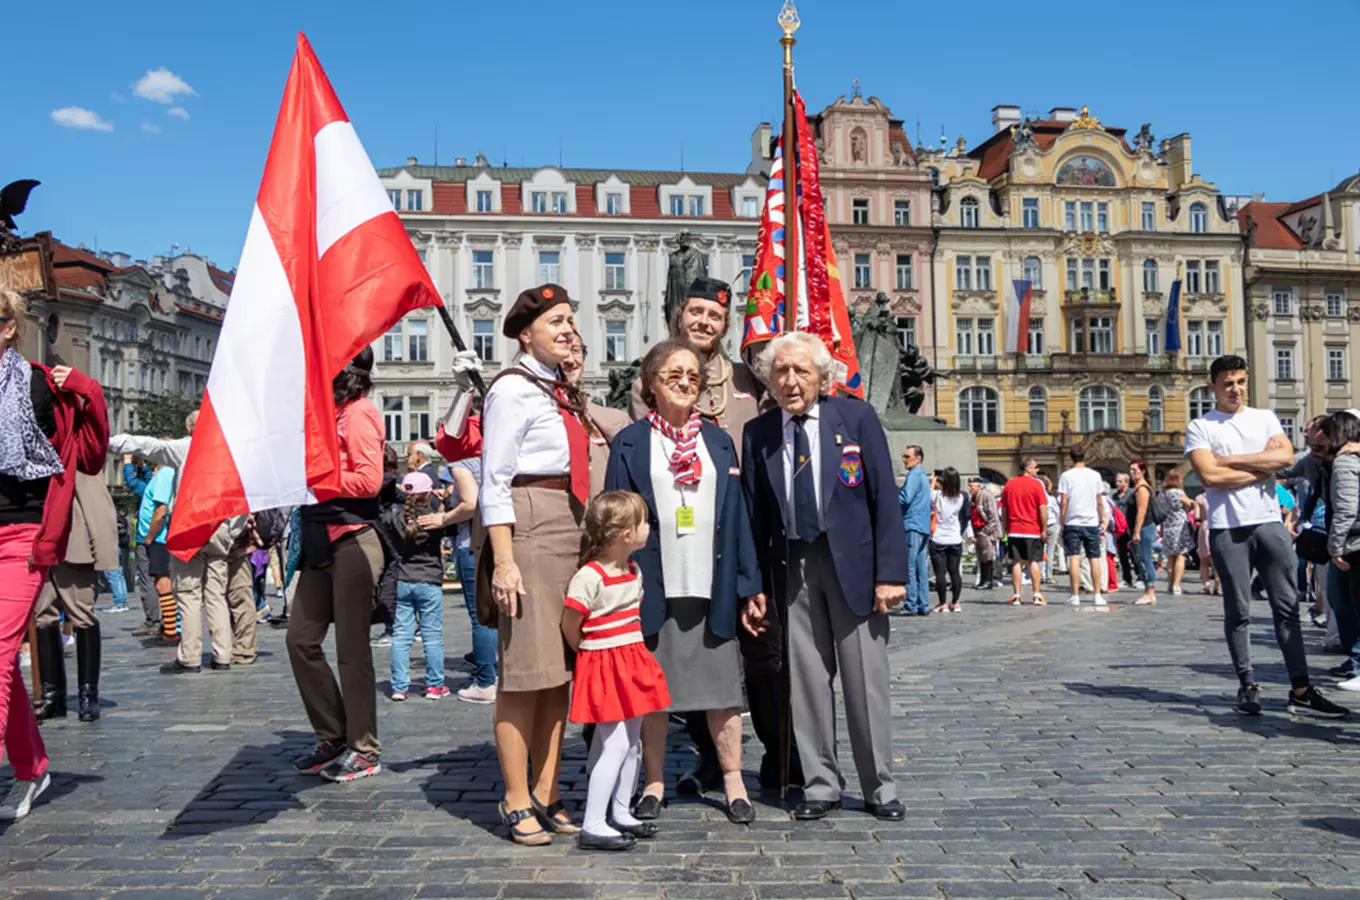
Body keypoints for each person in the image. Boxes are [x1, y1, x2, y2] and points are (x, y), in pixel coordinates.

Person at [741, 330, 907, 822]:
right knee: (807, 682)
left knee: (865, 682)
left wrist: (891, 574)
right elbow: (754, 515)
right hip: (793, 567)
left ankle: (879, 787)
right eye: (780, 371)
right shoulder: (760, 433)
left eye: (800, 371)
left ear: (821, 376)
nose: (790, 381)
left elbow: (884, 499)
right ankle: (820, 784)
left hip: (855, 567)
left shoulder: (855, 418)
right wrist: (753, 585)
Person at [630, 276, 779, 796]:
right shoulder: (650, 377)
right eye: (695, 313)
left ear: (725, 323)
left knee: (752, 654)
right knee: (680, 652)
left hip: (743, 518)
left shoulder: (746, 376)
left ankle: (778, 760)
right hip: (680, 532)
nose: (704, 322)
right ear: (679, 317)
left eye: (714, 316)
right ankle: (706, 759)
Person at [604, 338, 762, 825]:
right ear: (651, 382)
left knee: (722, 691)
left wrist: (748, 583)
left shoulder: (718, 441)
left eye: (693, 374)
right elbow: (614, 517)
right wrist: (613, 578)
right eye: (673, 373)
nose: (685, 381)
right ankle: (653, 782)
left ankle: (734, 780)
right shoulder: (630, 442)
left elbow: (738, 517)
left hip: (709, 583)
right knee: (654, 692)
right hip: (654, 586)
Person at [477, 284, 592, 845]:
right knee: (525, 673)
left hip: (567, 522)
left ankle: (548, 791)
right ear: (526, 333)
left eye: (571, 319)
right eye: (556, 321)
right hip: (529, 523)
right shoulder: (512, 391)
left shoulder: (559, 389)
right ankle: (516, 797)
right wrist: (504, 560)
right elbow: (493, 480)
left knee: (559, 673)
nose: (568, 329)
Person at [1185, 354, 1347, 718]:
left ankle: (1301, 689)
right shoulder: (1201, 426)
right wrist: (1260, 470)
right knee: (1237, 612)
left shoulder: (1265, 418)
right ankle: (1247, 685)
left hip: (1269, 522)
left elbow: (1285, 456)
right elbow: (1210, 477)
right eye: (1228, 383)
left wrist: (1229, 460)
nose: (1236, 389)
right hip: (1228, 526)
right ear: (1213, 386)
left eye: (1241, 381)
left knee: (1287, 608)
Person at [0, 288, 108, 820]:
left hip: (21, 536)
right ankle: (33, 764)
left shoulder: (42, 385)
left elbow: (90, 454)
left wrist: (87, 389)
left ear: (8, 328)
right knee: (4, 668)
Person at [287, 347, 388, 782]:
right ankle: (333, 734)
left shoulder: (360, 413)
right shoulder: (327, 415)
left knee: (352, 651)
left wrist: (317, 476)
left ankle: (364, 748)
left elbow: (369, 481)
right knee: (299, 640)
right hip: (319, 538)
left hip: (353, 537)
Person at [562, 491, 671, 851]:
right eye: (644, 523)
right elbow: (571, 622)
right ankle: (594, 822)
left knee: (631, 744)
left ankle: (621, 812)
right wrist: (588, 654)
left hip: (631, 661)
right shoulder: (589, 577)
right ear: (626, 533)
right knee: (615, 744)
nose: (649, 529)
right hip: (605, 664)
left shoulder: (632, 571)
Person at [111, 413, 244, 674]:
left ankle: (190, 657)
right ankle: (223, 655)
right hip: (219, 527)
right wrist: (231, 531)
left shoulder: (186, 447)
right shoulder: (230, 453)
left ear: (189, 428)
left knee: (188, 593)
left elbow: (150, 446)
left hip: (192, 525)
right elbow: (241, 494)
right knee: (217, 595)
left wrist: (112, 441)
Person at [33, 470, 118, 722]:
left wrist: (102, 548)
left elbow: (95, 499)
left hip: (72, 538)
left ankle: (87, 695)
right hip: (35, 535)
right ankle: (53, 696)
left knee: (81, 613)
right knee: (42, 615)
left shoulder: (75, 451)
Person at [381, 471, 451, 701]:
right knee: (432, 635)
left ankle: (399, 687)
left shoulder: (395, 517)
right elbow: (454, 522)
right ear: (427, 493)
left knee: (401, 636)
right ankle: (434, 685)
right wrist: (446, 500)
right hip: (429, 580)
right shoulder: (433, 518)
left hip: (404, 579)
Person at [1058, 447, 1109, 608]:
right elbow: (1099, 500)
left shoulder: (1066, 476)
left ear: (1071, 457)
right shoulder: (1095, 475)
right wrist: (1100, 519)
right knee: (1094, 558)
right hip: (1091, 521)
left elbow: (1064, 501)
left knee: (1074, 558)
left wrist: (1062, 520)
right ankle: (1097, 595)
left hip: (1072, 521)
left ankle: (1075, 595)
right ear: (1084, 456)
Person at [1001, 457, 1049, 606]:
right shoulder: (1037, 485)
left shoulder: (1009, 484)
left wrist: (1006, 526)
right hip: (1032, 529)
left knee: (1016, 562)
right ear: (1028, 469)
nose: (1037, 470)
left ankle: (1016, 595)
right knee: (1033, 561)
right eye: (1035, 467)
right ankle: (1036, 594)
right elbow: (1042, 509)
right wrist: (1044, 529)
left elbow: (1004, 508)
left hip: (1015, 529)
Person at [929, 467, 969, 613]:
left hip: (939, 538)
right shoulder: (961, 497)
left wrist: (933, 482)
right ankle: (956, 602)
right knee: (954, 572)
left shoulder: (936, 496)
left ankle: (942, 603)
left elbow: (928, 494)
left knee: (940, 573)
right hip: (955, 538)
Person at [897, 445, 931, 616]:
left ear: (917, 458)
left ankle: (911, 603)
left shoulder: (914, 475)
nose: (904, 460)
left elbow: (905, 498)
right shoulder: (923, 475)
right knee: (920, 567)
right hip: (922, 524)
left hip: (912, 524)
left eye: (907, 456)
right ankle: (923, 603)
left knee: (909, 566)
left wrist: (893, 495)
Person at [1126, 461, 1159, 606]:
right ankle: (1148, 591)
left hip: (1144, 528)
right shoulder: (1138, 488)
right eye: (1131, 471)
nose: (1132, 473)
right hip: (1141, 528)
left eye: (1135, 470)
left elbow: (1141, 512)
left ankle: (1150, 592)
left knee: (1145, 559)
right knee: (1142, 560)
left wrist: (1137, 532)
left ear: (1143, 471)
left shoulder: (1142, 489)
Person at [1158, 470, 1195, 595]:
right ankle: (1177, 585)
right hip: (1180, 526)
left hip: (1167, 527)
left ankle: (1169, 584)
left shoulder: (1162, 494)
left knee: (1170, 557)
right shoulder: (1179, 493)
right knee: (1180, 555)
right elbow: (1190, 505)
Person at [968, 478, 1002, 589]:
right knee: (981, 556)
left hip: (986, 530)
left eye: (971, 486)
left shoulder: (986, 496)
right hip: (978, 529)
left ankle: (988, 580)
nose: (970, 488)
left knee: (987, 556)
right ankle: (982, 580)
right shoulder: (974, 496)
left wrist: (986, 531)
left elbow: (993, 515)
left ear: (979, 486)